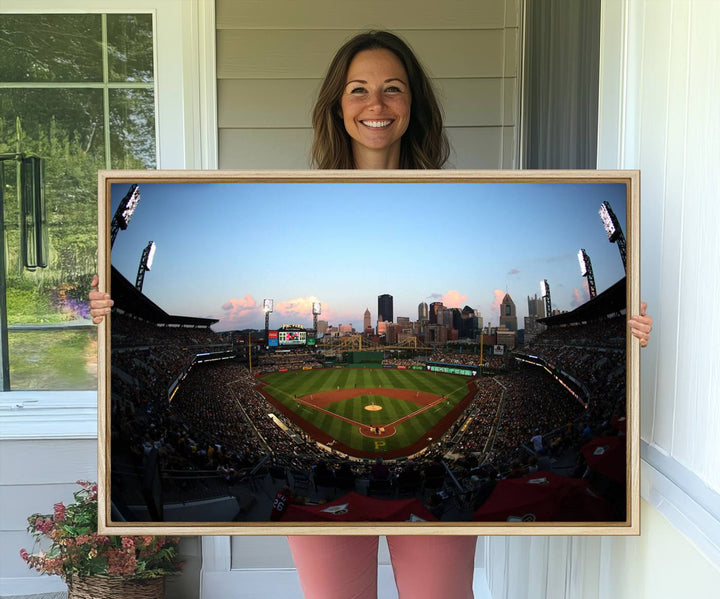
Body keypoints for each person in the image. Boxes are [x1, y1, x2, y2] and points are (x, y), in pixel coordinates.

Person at [89, 29, 653, 599]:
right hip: (328, 507)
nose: (376, 105)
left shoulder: (452, 195)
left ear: (413, 105)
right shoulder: (304, 195)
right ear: (338, 104)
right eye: (358, 89)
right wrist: (108, 315)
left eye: (393, 89)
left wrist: (623, 331)